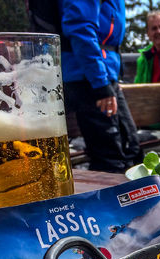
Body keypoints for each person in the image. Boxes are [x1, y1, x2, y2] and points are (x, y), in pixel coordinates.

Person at [60, 0, 142, 173]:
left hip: (103, 76)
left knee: (131, 150)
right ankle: (108, 199)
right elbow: (80, 27)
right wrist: (100, 82)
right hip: (88, 79)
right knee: (111, 159)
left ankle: (131, 198)